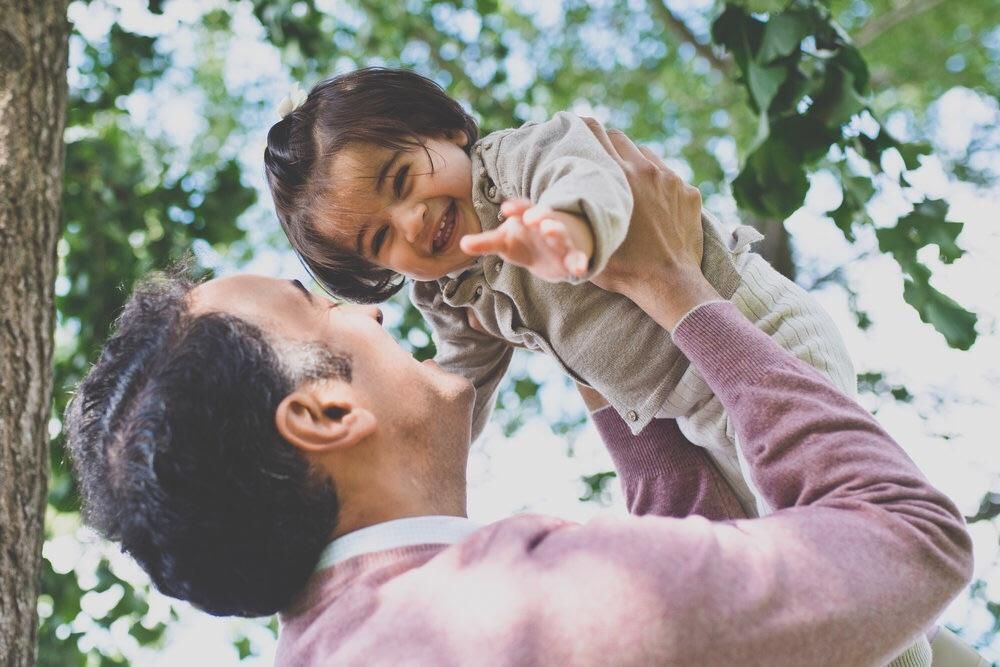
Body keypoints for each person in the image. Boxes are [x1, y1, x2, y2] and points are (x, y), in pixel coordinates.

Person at [66, 126, 973, 666]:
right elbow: (909, 541)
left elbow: (719, 588)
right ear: (323, 413)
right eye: (317, 303)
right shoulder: (510, 607)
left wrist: (596, 361)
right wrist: (675, 289)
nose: (364, 311)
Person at [263, 67, 856, 520]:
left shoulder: (518, 163)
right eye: (381, 237)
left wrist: (567, 233)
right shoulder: (448, 293)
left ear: (446, 132)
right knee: (768, 557)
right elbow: (460, 387)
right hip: (692, 410)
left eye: (399, 180)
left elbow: (591, 181)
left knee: (831, 536)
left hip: (759, 334)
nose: (411, 222)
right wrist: (406, 449)